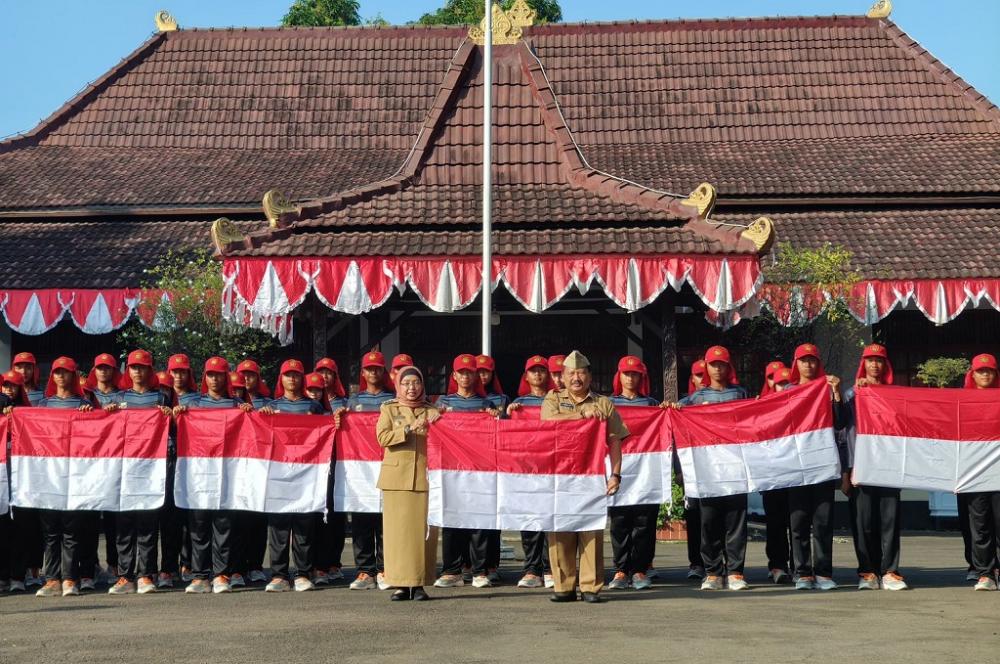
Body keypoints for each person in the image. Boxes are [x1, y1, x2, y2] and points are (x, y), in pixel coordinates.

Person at [541, 350, 628, 603]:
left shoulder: (604, 403)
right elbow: (547, 421)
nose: (576, 378)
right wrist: (581, 415)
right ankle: (564, 586)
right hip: (558, 475)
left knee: (591, 531)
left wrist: (615, 475)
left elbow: (615, 441)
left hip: (591, 476)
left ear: (590, 376)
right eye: (571, 373)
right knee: (560, 529)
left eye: (581, 373)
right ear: (562, 377)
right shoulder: (553, 398)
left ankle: (590, 586)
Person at [673, 346, 751, 591]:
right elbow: (677, 419)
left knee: (736, 522)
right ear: (706, 367)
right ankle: (713, 572)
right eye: (713, 364)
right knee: (709, 522)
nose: (718, 369)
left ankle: (736, 571)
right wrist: (672, 410)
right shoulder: (694, 399)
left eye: (722, 364)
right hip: (707, 469)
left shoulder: (740, 393)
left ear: (729, 367)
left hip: (735, 468)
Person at [174, 357, 253, 594]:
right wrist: (177, 416)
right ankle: (200, 576)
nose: (215, 379)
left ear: (225, 377)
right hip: (198, 472)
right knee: (198, 526)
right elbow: (176, 430)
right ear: (204, 377)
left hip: (228, 473)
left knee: (223, 526)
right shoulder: (193, 404)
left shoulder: (237, 405)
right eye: (210, 374)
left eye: (219, 374)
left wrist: (249, 413)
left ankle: (221, 575)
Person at [840, 344, 908, 591]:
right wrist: (846, 473)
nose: (875, 365)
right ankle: (867, 572)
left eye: (879, 360)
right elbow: (845, 434)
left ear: (885, 365)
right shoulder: (852, 395)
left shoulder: (896, 395)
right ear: (864, 364)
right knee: (864, 523)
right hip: (862, 468)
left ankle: (890, 571)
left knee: (890, 522)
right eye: (870, 360)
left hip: (889, 468)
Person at [107, 350, 174, 596]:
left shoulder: (162, 397)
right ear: (129, 371)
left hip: (151, 468)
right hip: (124, 469)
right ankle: (125, 576)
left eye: (142, 367)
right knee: (124, 526)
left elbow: (174, 429)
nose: (137, 371)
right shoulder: (119, 398)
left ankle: (146, 575)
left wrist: (170, 417)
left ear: (149, 370)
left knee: (148, 523)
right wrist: (107, 413)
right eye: (133, 367)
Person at [434, 354, 501, 589]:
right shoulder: (443, 403)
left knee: (479, 520)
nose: (465, 377)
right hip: (451, 470)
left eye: (469, 373)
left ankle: (479, 570)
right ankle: (452, 571)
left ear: (476, 376)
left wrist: (495, 418)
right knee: (451, 518)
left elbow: (496, 436)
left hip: (479, 470)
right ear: (454, 375)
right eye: (461, 373)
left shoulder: (486, 404)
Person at [260, 359, 326, 592]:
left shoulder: (314, 407)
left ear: (302, 378)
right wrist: (263, 416)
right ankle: (279, 575)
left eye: (296, 375)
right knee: (278, 525)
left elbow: (325, 432)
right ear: (282, 378)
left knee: (303, 524)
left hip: (306, 473)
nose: (292, 379)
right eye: (288, 375)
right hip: (279, 471)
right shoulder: (271, 406)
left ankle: (302, 573)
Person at [376, 365, 440, 601]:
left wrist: (439, 419)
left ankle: (420, 583)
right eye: (406, 383)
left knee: (423, 534)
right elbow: (382, 437)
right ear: (398, 385)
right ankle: (400, 584)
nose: (411, 388)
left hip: (424, 477)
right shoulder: (389, 409)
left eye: (416, 383)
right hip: (396, 480)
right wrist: (407, 429)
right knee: (397, 535)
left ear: (422, 385)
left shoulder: (432, 410)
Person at [33, 357, 96, 598]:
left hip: (75, 475)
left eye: (66, 372)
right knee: (50, 531)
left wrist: (90, 416)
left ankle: (70, 578)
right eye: (57, 372)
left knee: (71, 530)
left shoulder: (84, 404)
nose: (61, 376)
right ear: (52, 376)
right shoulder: (43, 405)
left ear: (73, 375)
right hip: (49, 474)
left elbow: (97, 436)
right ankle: (52, 579)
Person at [785, 343, 843, 591]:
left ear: (818, 363)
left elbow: (840, 423)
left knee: (823, 522)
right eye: (803, 360)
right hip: (796, 466)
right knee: (798, 521)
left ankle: (823, 573)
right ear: (796, 364)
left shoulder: (827, 387)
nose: (808, 364)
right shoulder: (787, 391)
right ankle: (802, 573)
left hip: (822, 464)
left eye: (812, 360)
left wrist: (836, 393)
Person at [607, 356, 660, 592]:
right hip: (617, 469)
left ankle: (640, 570)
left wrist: (668, 412)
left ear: (641, 377)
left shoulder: (652, 405)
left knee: (644, 522)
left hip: (645, 470)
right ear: (619, 377)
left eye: (635, 374)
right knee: (619, 522)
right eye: (626, 374)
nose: (630, 378)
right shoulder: (608, 404)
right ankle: (621, 570)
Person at [344, 351, 395, 591]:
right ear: (363, 373)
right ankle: (365, 571)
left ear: (384, 372)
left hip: (388, 464)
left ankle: (385, 569)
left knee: (386, 520)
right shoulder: (353, 402)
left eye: (377, 368)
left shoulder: (394, 400)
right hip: (361, 469)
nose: (373, 372)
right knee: (362, 519)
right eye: (369, 369)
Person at [507, 355, 557, 589]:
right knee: (529, 520)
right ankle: (531, 569)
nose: (537, 374)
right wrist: (510, 413)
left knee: (550, 520)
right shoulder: (519, 403)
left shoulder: (557, 400)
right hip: (527, 470)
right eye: (533, 371)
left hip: (553, 467)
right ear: (526, 376)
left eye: (542, 370)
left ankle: (550, 568)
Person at [79, 353, 123, 591]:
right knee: (89, 519)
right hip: (91, 464)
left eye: (108, 368)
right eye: (100, 368)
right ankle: (91, 566)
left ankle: (115, 565)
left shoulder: (124, 396)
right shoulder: (85, 396)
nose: (104, 372)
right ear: (94, 371)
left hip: (116, 462)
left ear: (115, 371)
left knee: (115, 519)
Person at [963, 353, 1000, 591]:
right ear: (973, 374)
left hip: (998, 473)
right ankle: (985, 573)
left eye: (989, 371)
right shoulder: (961, 401)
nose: (985, 374)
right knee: (980, 526)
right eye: (980, 371)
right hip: (973, 474)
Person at [313, 358, 349, 585]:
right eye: (320, 372)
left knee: (336, 514)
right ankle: (317, 564)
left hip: (340, 463)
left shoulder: (345, 403)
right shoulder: (309, 403)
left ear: (336, 377)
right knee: (316, 515)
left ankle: (334, 562)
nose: (324, 376)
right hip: (314, 465)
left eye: (329, 373)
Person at [234, 359, 271, 584]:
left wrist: (267, 414)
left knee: (258, 518)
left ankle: (255, 566)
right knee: (237, 520)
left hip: (260, 465)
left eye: (251, 375)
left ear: (258, 378)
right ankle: (237, 568)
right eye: (243, 374)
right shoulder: (230, 402)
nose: (246, 379)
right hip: (236, 466)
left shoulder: (267, 402)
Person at [759, 360, 793, 584]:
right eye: (774, 380)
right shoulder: (760, 406)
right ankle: (778, 565)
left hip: (796, 474)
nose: (781, 386)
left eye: (787, 382)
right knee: (775, 523)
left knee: (797, 524)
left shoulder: (801, 404)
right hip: (772, 474)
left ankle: (800, 566)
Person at [1, 370, 31, 593]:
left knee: (21, 527)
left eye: (14, 386)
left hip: (22, 476)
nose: (9, 390)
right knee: (2, 527)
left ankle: (19, 576)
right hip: (2, 476)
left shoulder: (29, 413)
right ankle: (3, 575)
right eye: (6, 385)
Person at [677, 358, 707, 581]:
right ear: (692, 379)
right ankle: (696, 563)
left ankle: (720, 562)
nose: (703, 379)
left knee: (717, 518)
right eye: (698, 375)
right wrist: (678, 469)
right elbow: (675, 441)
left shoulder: (727, 400)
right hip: (692, 469)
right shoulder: (683, 406)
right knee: (695, 517)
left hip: (718, 468)